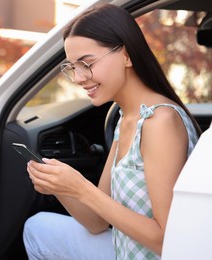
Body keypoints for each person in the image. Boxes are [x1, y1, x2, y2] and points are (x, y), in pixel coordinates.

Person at [23, 4, 201, 260]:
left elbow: (167, 241)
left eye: (87, 63)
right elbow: (96, 223)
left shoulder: (159, 122)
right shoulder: (126, 116)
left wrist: (82, 188)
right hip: (124, 250)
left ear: (126, 55)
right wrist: (61, 187)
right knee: (37, 227)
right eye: (73, 67)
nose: (79, 78)